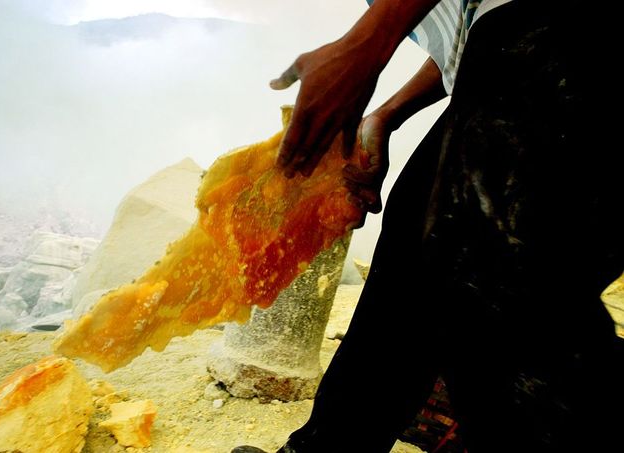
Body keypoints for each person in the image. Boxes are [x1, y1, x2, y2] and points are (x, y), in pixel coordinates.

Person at [235, 0, 624, 451]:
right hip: (516, 34)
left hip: (570, 31)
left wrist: (366, 46)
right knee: (413, 244)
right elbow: (470, 22)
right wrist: (388, 113)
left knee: (492, 281)